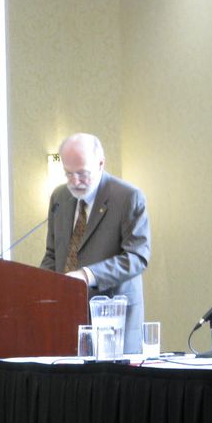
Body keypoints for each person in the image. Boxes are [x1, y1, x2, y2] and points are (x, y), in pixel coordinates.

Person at [41, 132, 151, 353]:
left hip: (114, 322)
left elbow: (137, 257)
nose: (75, 182)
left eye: (82, 173)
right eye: (68, 174)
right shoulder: (59, 197)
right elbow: (52, 255)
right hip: (66, 319)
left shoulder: (128, 197)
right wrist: (41, 287)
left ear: (101, 164)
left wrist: (87, 275)